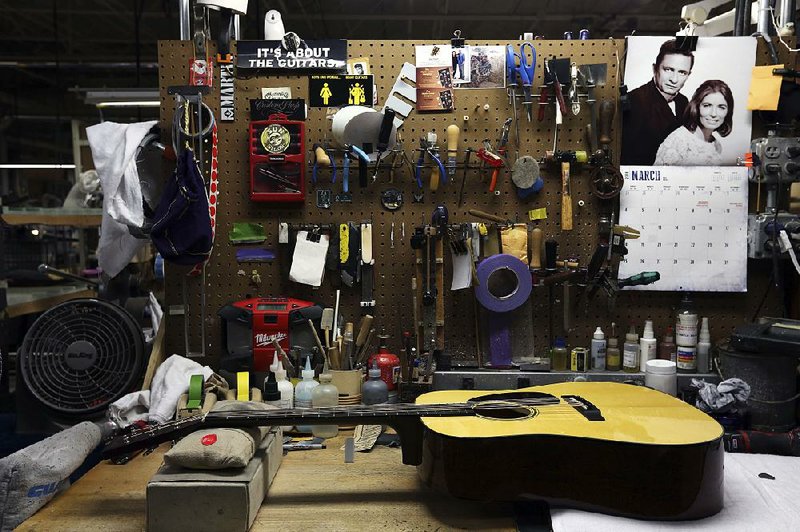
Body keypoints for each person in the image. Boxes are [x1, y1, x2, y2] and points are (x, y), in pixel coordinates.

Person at [621, 39, 694, 165]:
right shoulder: (634, 101)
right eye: (668, 69)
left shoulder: (683, 101)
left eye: (682, 72)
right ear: (655, 69)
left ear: (688, 75)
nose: (674, 80)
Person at [654, 80, 733, 165]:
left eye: (721, 107)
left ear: (728, 111)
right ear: (696, 107)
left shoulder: (716, 145)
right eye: (707, 106)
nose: (714, 114)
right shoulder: (679, 140)